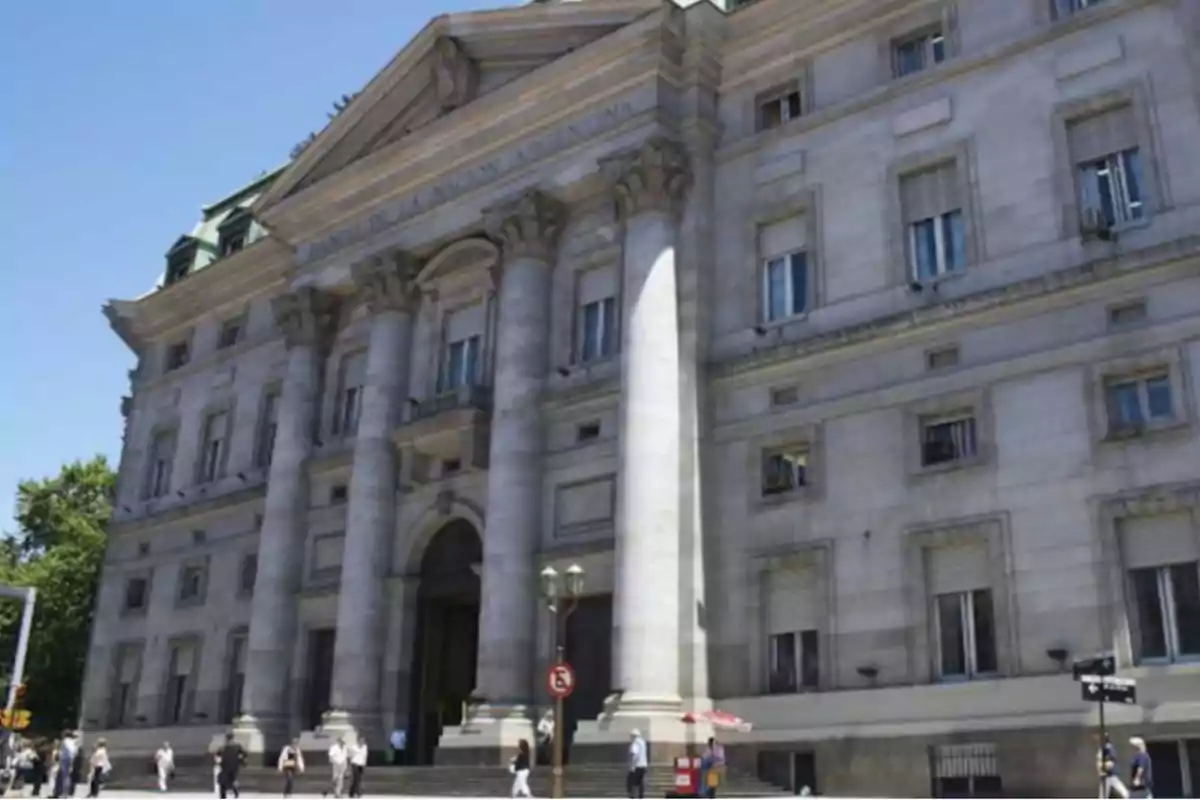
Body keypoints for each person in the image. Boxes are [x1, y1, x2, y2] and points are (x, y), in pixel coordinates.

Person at [216, 732, 245, 799]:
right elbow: (244, 754)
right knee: (232, 780)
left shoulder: (223, 747)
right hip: (234, 766)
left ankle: (224, 796)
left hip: (225, 766)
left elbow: (217, 755)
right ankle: (235, 792)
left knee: (223, 781)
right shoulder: (237, 746)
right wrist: (240, 760)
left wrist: (219, 762)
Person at [1097, 735, 1127, 799]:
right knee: (1103, 795)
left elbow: (1111, 761)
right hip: (1107, 775)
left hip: (1108, 775)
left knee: (1103, 795)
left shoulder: (1108, 748)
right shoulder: (1104, 748)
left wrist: (1104, 769)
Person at [626, 729, 647, 799]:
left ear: (633, 736)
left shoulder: (635, 742)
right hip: (643, 765)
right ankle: (641, 796)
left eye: (631, 736)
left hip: (637, 766)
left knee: (632, 783)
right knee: (641, 781)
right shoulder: (642, 742)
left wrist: (632, 765)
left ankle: (632, 797)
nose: (630, 738)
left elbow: (634, 754)